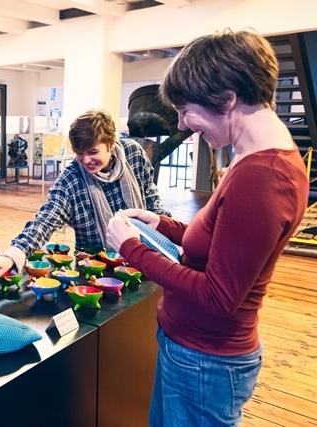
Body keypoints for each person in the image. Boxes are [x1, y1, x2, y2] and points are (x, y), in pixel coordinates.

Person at [106, 30, 308, 427]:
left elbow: (219, 296)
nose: (184, 124)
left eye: (186, 110)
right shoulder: (255, 155)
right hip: (195, 351)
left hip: (206, 361)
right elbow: (222, 238)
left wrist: (133, 248)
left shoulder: (262, 176)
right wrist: (162, 225)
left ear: (228, 98)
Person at [0, 108, 170, 278]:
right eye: (79, 153)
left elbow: (150, 195)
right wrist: (13, 254)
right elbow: (44, 221)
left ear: (111, 144)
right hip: (95, 271)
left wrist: (168, 233)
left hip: (146, 259)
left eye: (93, 151)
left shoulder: (134, 154)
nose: (86, 160)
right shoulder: (70, 181)